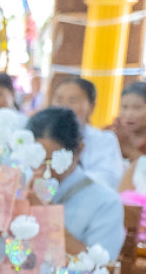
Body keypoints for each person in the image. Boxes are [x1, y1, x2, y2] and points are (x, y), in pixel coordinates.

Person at [26, 106, 128, 258]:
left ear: (79, 150)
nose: (42, 170)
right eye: (35, 159)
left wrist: (46, 218)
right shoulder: (22, 186)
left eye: (52, 161)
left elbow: (101, 271)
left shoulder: (105, 202)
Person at [51, 75, 126, 188]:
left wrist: (67, 179)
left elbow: (109, 179)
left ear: (91, 106)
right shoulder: (44, 135)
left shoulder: (104, 139)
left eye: (73, 100)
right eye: (59, 99)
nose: (64, 106)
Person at [111, 78, 146, 178]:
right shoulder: (111, 133)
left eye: (137, 108)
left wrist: (128, 150)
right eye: (124, 107)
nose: (128, 114)